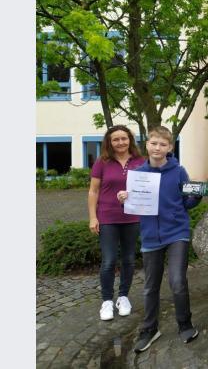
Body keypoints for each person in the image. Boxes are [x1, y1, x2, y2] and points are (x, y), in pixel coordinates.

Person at [117, 126, 203, 353]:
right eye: (154, 143)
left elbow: (187, 203)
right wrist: (123, 198)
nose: (157, 148)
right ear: (147, 144)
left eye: (163, 144)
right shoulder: (138, 175)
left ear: (170, 148)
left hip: (177, 233)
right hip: (150, 236)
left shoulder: (179, 171)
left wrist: (198, 196)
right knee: (149, 287)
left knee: (177, 281)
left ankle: (185, 324)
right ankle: (149, 329)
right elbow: (132, 205)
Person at [88, 125, 145, 321]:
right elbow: (93, 191)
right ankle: (106, 301)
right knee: (109, 260)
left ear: (130, 139)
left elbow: (147, 189)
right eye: (115, 139)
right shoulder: (102, 162)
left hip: (133, 218)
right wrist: (93, 217)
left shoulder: (140, 161)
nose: (120, 142)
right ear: (109, 142)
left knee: (129, 259)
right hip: (108, 218)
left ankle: (123, 297)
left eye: (124, 138)